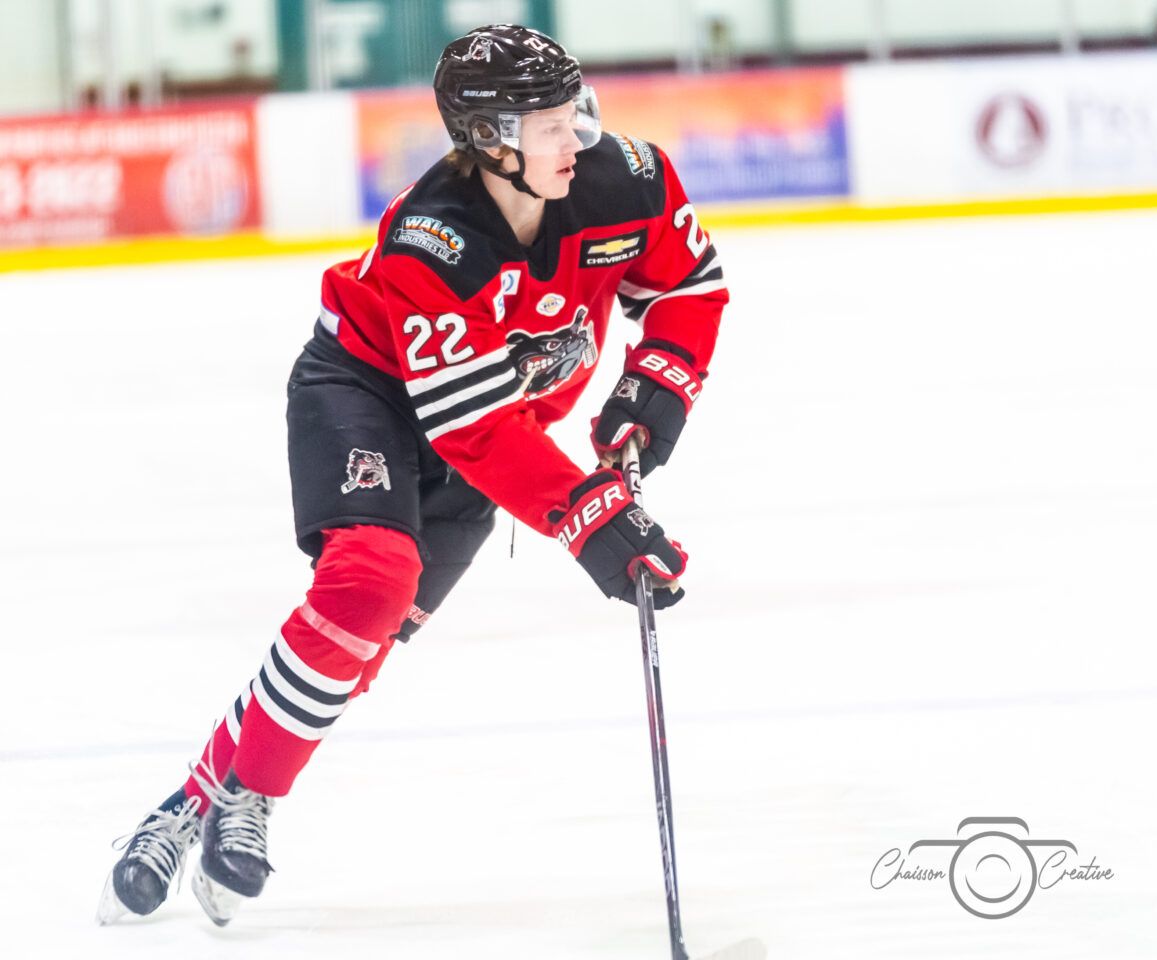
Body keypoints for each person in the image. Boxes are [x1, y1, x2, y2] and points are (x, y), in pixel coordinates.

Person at [97, 23, 728, 927]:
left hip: (496, 437)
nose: (577, 136)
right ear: (489, 139)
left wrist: (653, 392)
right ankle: (251, 795)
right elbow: (469, 427)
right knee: (368, 583)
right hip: (368, 396)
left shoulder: (626, 179)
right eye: (551, 125)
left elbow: (687, 287)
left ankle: (193, 800)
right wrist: (594, 519)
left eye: (576, 113)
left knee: (359, 639)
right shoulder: (432, 241)